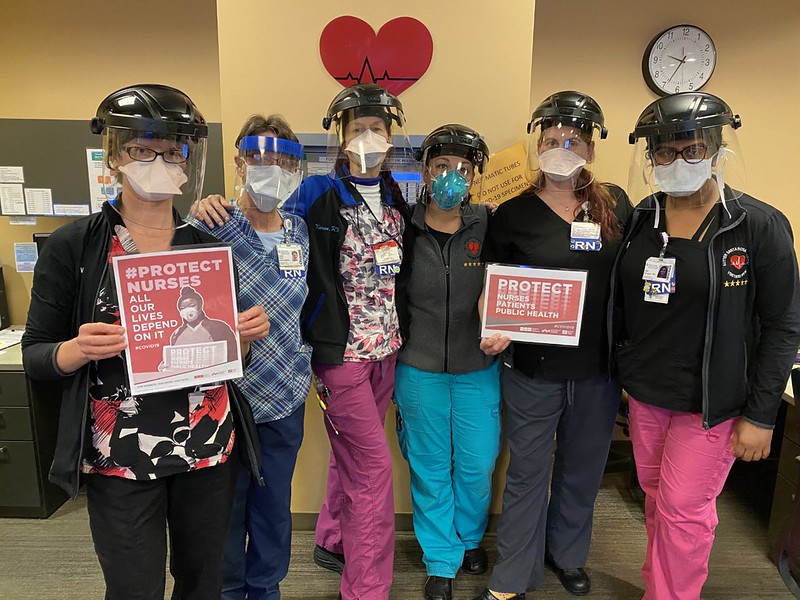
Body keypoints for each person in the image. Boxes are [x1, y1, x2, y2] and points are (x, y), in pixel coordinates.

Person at [21, 84, 270, 600]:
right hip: (122, 454)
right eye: (140, 148)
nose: (157, 161)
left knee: (204, 583)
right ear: (114, 155)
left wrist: (242, 337)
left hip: (207, 447)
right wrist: (77, 349)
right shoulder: (75, 246)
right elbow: (37, 354)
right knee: (134, 586)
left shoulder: (206, 247)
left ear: (187, 159)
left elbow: (230, 360)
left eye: (171, 150)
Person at [613, 91, 800, 600]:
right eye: (665, 153)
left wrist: (761, 415)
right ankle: (661, 588)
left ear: (717, 150)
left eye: (692, 149)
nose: (678, 162)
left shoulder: (757, 225)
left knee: (684, 510)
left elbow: (784, 325)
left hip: (712, 402)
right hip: (648, 394)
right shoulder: (642, 217)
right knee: (657, 501)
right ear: (650, 156)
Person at [475, 91, 633, 600]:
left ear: (590, 147)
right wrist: (491, 326)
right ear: (536, 144)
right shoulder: (512, 214)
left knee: (582, 471)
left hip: (597, 371)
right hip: (531, 370)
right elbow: (493, 285)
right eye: (551, 140)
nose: (561, 147)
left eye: (573, 140)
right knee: (526, 473)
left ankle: (567, 555)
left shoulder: (614, 205)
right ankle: (513, 575)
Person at [281, 82, 415, 600]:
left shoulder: (397, 194)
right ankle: (365, 590)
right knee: (374, 472)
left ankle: (333, 537)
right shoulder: (316, 194)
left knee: (353, 458)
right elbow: (267, 225)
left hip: (387, 349)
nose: (368, 138)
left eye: (377, 129)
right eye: (357, 129)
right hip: (341, 356)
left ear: (389, 137)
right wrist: (215, 210)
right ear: (340, 137)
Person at [188, 113, 311, 600]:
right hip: (224, 401)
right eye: (261, 159)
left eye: (283, 161)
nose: (272, 169)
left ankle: (266, 590)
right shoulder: (209, 224)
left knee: (274, 511)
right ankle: (229, 592)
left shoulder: (297, 232)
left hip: (284, 398)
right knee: (224, 513)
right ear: (239, 162)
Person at [394, 124, 499, 600]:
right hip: (419, 369)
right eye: (440, 167)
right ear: (425, 170)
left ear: (475, 176)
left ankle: (470, 538)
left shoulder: (489, 224)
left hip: (478, 369)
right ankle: (441, 560)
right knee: (430, 467)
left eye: (462, 168)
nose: (450, 176)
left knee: (477, 466)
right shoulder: (400, 224)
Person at [167, 285, 238, 363]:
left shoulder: (220, 328)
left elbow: (233, 356)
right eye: (183, 308)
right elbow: (175, 361)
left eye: (192, 305)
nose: (187, 310)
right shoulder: (176, 335)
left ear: (200, 306)